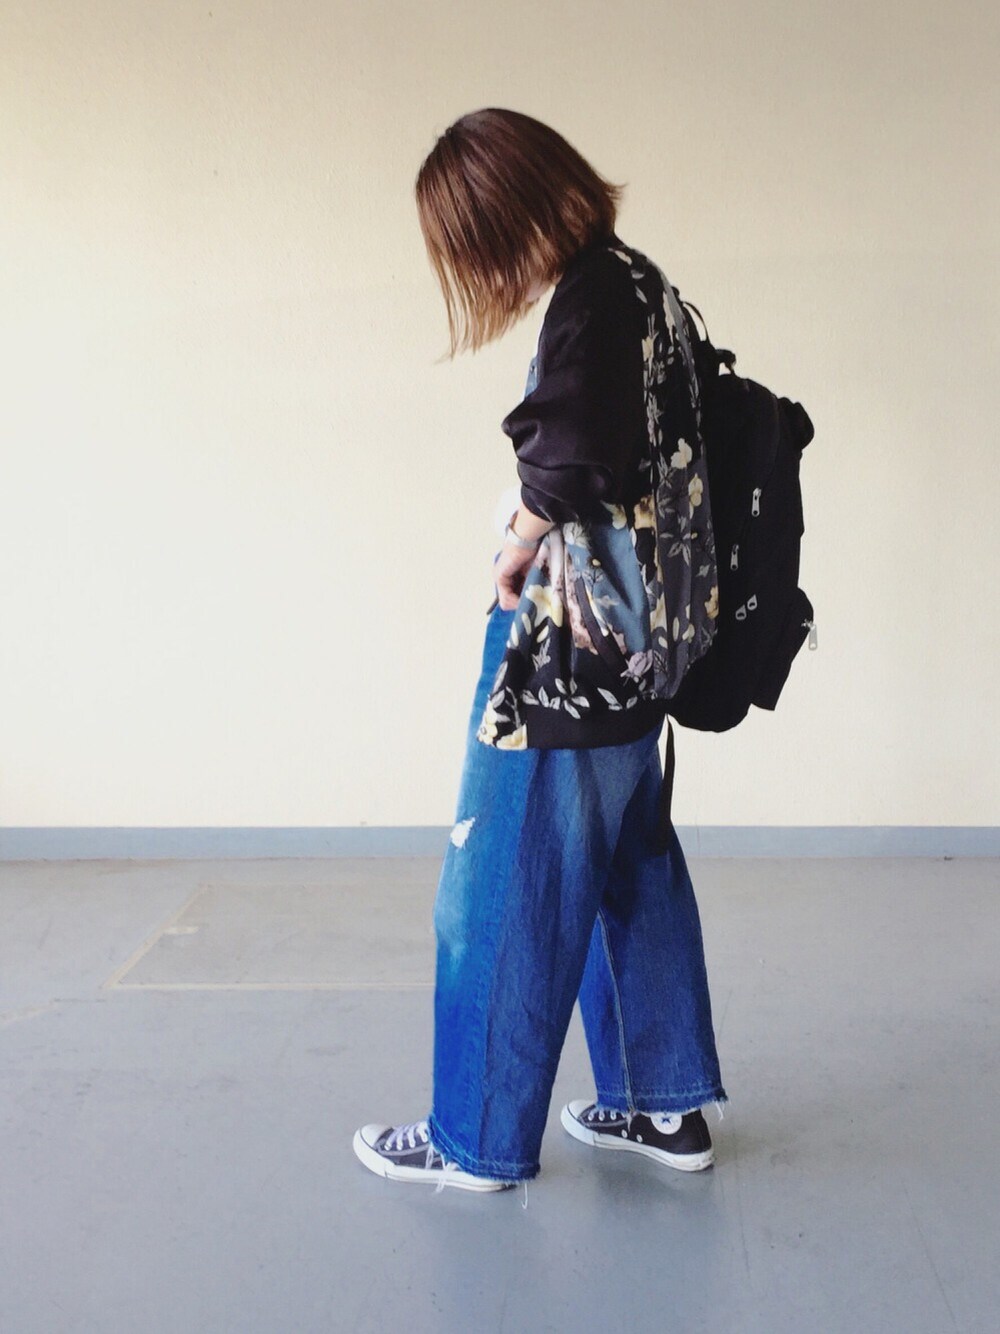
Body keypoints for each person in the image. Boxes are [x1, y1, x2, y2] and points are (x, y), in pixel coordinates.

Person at [352, 108, 727, 1192]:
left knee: (498, 881)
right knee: (627, 867)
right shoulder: (642, 283)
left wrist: (512, 548)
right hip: (643, 648)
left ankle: (473, 1137)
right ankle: (660, 1107)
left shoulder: (590, 300)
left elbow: (567, 462)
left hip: (569, 656)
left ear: (506, 215)